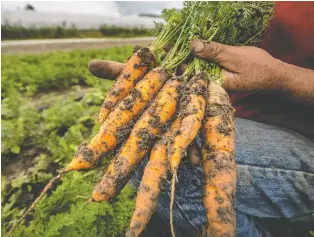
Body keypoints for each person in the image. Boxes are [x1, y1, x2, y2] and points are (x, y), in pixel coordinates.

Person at [88, 2, 314, 236]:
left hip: (305, 139)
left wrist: (284, 77)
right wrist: (175, 75)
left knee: (172, 164)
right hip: (229, 112)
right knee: (149, 140)